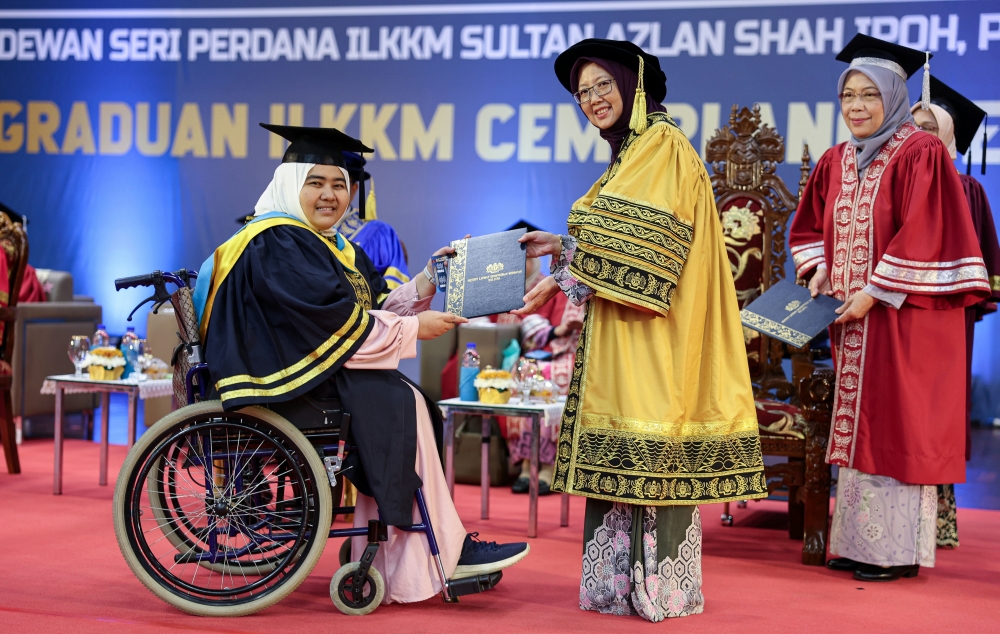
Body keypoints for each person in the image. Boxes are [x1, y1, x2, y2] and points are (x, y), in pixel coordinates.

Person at [194, 123, 529, 605]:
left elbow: (364, 310)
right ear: (291, 183)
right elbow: (332, 327)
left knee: (402, 397)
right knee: (401, 400)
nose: (331, 195)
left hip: (313, 378)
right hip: (282, 385)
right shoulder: (277, 240)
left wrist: (427, 282)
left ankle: (411, 548)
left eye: (339, 184)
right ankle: (438, 551)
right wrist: (415, 329)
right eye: (317, 182)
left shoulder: (321, 243)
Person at [513, 39, 767, 621]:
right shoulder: (633, 151)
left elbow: (648, 253)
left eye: (603, 85)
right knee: (623, 443)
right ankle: (615, 586)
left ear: (634, 85)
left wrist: (565, 270)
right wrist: (564, 245)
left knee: (651, 441)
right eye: (582, 92)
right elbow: (618, 231)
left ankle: (661, 590)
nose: (593, 99)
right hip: (626, 333)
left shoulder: (661, 146)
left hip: (657, 335)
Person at [789, 35, 992, 581]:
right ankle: (858, 544)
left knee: (899, 426)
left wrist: (874, 292)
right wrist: (821, 269)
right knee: (861, 426)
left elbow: (926, 231)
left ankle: (895, 553)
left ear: (894, 98)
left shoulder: (918, 152)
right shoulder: (835, 160)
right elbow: (810, 228)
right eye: (847, 96)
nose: (856, 106)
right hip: (851, 321)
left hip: (906, 319)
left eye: (868, 96)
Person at [910, 76, 1000, 549]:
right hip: (894, 313)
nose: (919, 133)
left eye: (930, 127)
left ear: (948, 136)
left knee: (935, 414)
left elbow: (981, 267)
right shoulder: (893, 178)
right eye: (913, 123)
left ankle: (936, 520)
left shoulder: (966, 189)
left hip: (944, 319)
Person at [334, 151, 411, 289]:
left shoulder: (379, 234)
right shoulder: (296, 232)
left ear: (354, 188)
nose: (328, 194)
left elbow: (395, 295)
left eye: (338, 185)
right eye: (317, 183)